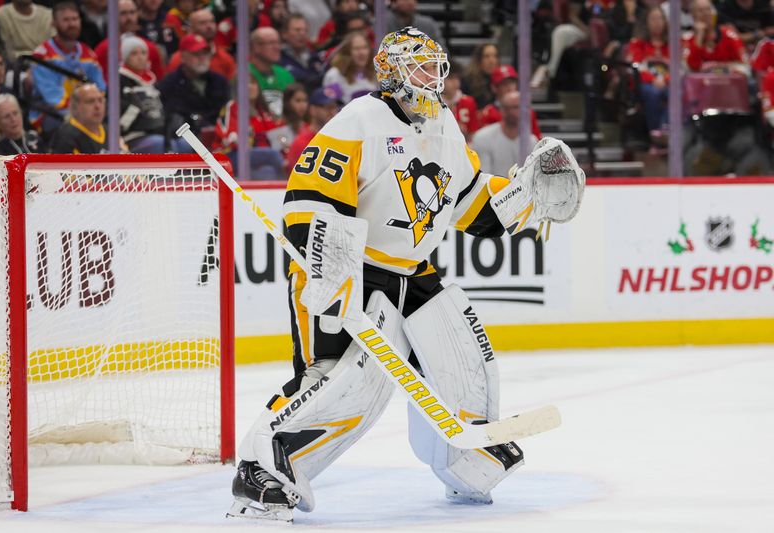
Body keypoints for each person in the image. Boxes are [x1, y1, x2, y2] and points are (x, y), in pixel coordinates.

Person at [227, 26, 584, 522]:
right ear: (393, 71)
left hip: (413, 273)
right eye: (420, 67)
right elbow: (309, 201)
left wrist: (524, 194)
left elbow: (466, 203)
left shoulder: (443, 123)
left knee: (463, 360)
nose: (433, 78)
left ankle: (464, 458)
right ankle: (263, 465)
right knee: (346, 382)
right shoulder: (359, 122)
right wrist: (330, 277)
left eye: (437, 67)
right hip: (352, 268)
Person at [30, 1, 107, 133]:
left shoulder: (88, 53)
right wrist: (85, 113)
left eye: (75, 19)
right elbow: (54, 99)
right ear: (53, 23)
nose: (72, 24)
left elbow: (100, 88)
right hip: (51, 115)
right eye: (66, 20)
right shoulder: (42, 55)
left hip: (86, 112)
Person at [119, 36, 189, 154]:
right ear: (125, 57)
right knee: (160, 144)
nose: (140, 57)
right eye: (134, 53)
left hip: (159, 131)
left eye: (143, 53)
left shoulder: (152, 82)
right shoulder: (119, 82)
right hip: (131, 136)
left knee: (186, 143)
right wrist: (140, 108)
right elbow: (120, 122)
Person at [157, 34, 231, 135]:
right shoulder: (169, 84)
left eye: (205, 53)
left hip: (218, 135)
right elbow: (172, 117)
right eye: (196, 54)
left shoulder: (219, 81)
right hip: (186, 137)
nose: (202, 58)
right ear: (183, 57)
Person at [213, 76, 285, 179]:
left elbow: (278, 138)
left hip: (257, 158)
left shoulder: (264, 112)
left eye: (253, 83)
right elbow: (230, 139)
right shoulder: (232, 107)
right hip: (232, 155)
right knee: (272, 155)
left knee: (268, 172)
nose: (250, 87)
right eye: (246, 83)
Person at [625, 7, 671, 135]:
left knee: (677, 93)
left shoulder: (672, 44)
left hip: (667, 83)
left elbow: (678, 68)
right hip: (645, 84)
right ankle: (656, 133)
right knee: (653, 93)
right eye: (653, 19)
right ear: (646, 23)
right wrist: (653, 80)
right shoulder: (637, 44)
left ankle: (666, 130)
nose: (657, 22)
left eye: (660, 18)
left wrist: (666, 80)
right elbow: (636, 67)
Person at [471, 91, 539, 176]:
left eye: (526, 107)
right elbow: (483, 177)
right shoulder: (482, 138)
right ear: (503, 110)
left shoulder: (532, 141)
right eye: (516, 107)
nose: (523, 111)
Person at [94, 0, 165, 81]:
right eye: (123, 13)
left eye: (132, 12)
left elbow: (159, 80)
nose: (129, 18)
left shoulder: (150, 48)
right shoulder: (104, 49)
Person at [165, 8, 237, 80]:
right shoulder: (179, 59)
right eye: (202, 23)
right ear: (191, 28)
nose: (209, 26)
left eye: (212, 22)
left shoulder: (225, 59)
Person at [284, 85, 341, 172]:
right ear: (313, 110)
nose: (333, 112)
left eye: (334, 107)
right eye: (328, 108)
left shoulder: (341, 139)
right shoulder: (302, 142)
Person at [478, 64, 543, 140]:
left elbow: (537, 141)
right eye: (504, 84)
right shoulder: (487, 113)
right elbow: (484, 141)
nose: (509, 87)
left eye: (512, 83)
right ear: (494, 88)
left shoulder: (528, 112)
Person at [683, 0, 748, 72]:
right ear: (693, 15)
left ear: (714, 13)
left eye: (708, 9)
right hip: (698, 82)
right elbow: (691, 68)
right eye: (700, 11)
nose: (705, 13)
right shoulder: (687, 39)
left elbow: (744, 67)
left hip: (727, 81)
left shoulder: (729, 36)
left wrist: (715, 71)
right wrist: (699, 36)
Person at [49, 83, 110, 154]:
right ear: (75, 107)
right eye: (90, 101)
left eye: (100, 100)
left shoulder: (109, 131)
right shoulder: (66, 136)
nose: (97, 106)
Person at [249, 27, 296, 116]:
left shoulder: (285, 75)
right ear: (256, 47)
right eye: (271, 43)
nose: (277, 47)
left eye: (278, 43)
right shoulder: (244, 73)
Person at [322, 31, 378, 104]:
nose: (362, 53)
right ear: (347, 52)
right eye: (356, 48)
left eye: (365, 47)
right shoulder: (334, 75)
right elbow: (332, 105)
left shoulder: (377, 73)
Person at [279, 13, 324, 91]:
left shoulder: (316, 58)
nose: (302, 34)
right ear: (284, 34)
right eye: (297, 30)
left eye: (305, 30)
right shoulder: (278, 58)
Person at [267, 83, 310, 159]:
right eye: (298, 101)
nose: (302, 105)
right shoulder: (278, 126)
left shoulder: (309, 126)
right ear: (288, 103)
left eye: (305, 101)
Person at [440, 59, 480, 140]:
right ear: (440, 79)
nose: (456, 82)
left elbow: (473, 134)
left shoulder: (468, 102)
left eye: (458, 78)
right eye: (451, 78)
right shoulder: (433, 102)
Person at [461, 43, 500, 108]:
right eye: (486, 56)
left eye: (495, 56)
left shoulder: (502, 81)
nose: (491, 61)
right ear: (478, 60)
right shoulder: (467, 81)